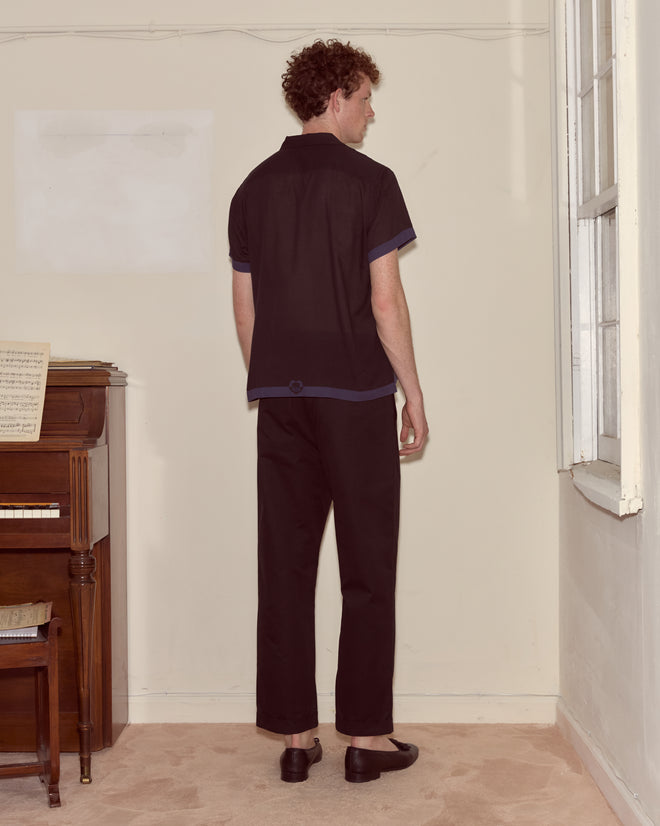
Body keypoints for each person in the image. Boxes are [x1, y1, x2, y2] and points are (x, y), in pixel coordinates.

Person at [228, 39, 428, 784]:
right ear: (336, 97)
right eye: (366, 98)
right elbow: (386, 300)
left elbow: (245, 309)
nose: (372, 113)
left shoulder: (252, 189)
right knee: (367, 567)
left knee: (284, 566)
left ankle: (295, 737)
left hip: (284, 401)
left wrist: (276, 380)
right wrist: (413, 393)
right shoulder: (372, 183)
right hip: (357, 399)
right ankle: (367, 739)